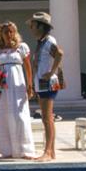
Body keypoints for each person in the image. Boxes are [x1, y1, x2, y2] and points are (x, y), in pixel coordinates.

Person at [0, 20, 36, 159]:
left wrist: (29, 85)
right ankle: (7, 150)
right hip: (3, 86)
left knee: (20, 116)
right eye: (6, 32)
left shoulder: (21, 47)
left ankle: (24, 150)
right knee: (3, 115)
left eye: (11, 31)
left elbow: (28, 67)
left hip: (18, 84)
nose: (9, 34)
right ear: (0, 34)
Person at [30, 12, 65, 161]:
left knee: (47, 118)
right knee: (46, 118)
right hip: (42, 84)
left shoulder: (49, 40)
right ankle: (51, 152)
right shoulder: (42, 41)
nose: (31, 28)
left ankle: (48, 152)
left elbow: (60, 54)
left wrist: (52, 72)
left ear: (40, 26)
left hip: (48, 83)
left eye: (33, 25)